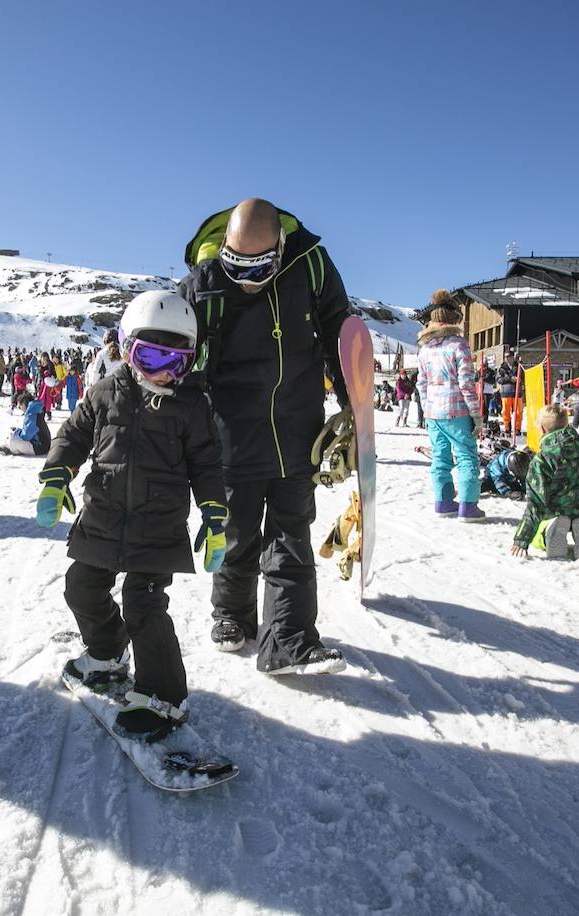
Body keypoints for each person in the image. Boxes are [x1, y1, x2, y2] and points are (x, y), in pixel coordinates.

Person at [38, 291, 227, 734]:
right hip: (102, 516)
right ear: (125, 348)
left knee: (144, 607)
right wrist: (56, 475)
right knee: (81, 586)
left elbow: (206, 464)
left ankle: (164, 697)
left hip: (156, 527)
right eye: (151, 357)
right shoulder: (105, 392)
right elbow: (73, 435)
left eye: (175, 362)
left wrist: (215, 514)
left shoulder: (192, 406)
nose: (163, 373)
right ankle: (106, 652)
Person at [178, 198, 349, 675]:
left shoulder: (309, 263)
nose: (249, 278)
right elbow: (175, 355)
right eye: (238, 265)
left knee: (291, 534)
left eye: (261, 267)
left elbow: (340, 329)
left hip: (298, 427)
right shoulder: (204, 282)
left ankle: (290, 641)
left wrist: (353, 399)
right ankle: (231, 615)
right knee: (237, 533)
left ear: (279, 244)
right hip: (231, 431)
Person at [511, 406, 579, 563]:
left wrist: (522, 539)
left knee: (536, 538)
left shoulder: (542, 460)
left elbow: (536, 503)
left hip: (557, 511)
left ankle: (548, 533)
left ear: (542, 428)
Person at [416, 292, 484, 521]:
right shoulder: (459, 345)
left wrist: (427, 409)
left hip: (434, 413)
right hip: (457, 411)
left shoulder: (425, 349)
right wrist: (477, 415)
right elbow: (466, 383)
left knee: (440, 458)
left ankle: (444, 502)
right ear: (454, 318)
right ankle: (468, 506)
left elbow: (421, 383)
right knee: (466, 457)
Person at [496, 351, 523, 435]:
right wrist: (510, 379)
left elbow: (523, 377)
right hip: (506, 392)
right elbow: (499, 380)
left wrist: (519, 379)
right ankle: (507, 428)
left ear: (513, 357)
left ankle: (517, 429)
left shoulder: (519, 366)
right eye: (506, 357)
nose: (508, 359)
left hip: (517, 392)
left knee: (519, 412)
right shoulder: (501, 368)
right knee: (506, 411)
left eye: (509, 357)